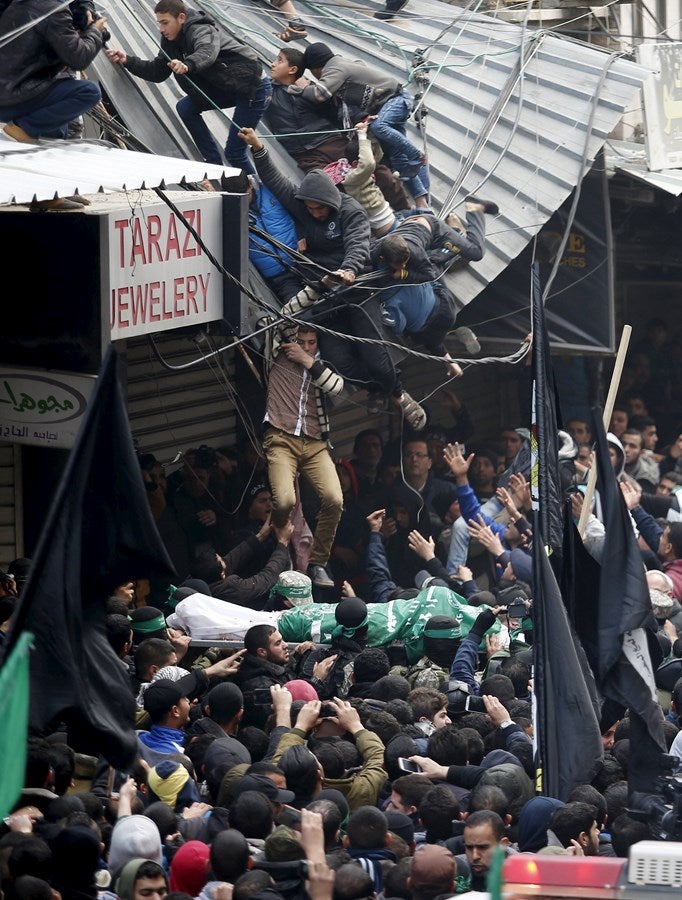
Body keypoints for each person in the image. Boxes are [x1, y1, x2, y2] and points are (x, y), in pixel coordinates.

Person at [106, 0, 271, 172]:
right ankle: (214, 165)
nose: (161, 29)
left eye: (165, 23)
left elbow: (207, 51)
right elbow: (157, 72)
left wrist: (188, 64)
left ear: (182, 18)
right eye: (159, 23)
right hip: (228, 86)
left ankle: (256, 196)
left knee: (234, 152)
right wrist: (128, 60)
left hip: (253, 86)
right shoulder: (169, 41)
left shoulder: (201, 30)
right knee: (186, 107)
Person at [296, 43, 430, 208]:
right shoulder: (343, 64)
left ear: (316, 68)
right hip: (387, 106)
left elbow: (319, 94)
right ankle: (423, 203)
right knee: (399, 158)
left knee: (378, 127)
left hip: (396, 99)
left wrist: (302, 88)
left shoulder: (335, 68)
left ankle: (416, 155)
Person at [262, 324, 345, 588]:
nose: (306, 346)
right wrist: (322, 283)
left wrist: (307, 359)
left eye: (312, 342)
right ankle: (280, 542)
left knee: (334, 499)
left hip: (314, 443)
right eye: (301, 341)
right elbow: (282, 318)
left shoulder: (319, 365)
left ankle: (317, 563)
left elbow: (337, 387)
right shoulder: (274, 355)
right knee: (285, 500)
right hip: (281, 438)